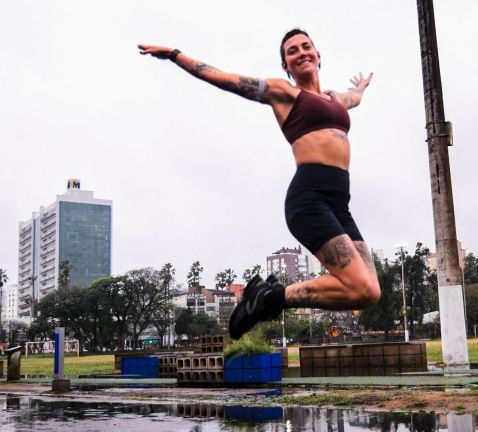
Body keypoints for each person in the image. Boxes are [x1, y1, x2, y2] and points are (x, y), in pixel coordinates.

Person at [139, 28, 380, 339]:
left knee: (369, 293)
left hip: (339, 205)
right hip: (309, 200)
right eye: (292, 51)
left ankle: (267, 297)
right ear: (286, 66)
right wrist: (174, 55)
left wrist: (361, 87)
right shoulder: (285, 93)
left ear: (318, 56)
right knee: (357, 284)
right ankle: (269, 298)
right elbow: (224, 78)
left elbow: (355, 99)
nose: (301, 52)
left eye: (307, 46)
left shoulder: (335, 99)